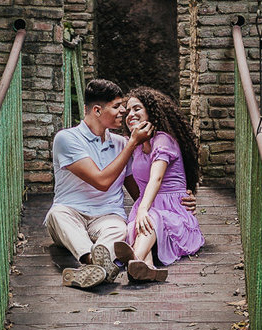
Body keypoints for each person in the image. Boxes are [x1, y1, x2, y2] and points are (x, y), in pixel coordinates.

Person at [47, 79, 195, 289]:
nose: (123, 112)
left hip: (108, 217)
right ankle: (92, 261)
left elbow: (142, 189)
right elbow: (102, 181)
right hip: (71, 215)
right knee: (57, 215)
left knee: (120, 229)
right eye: (117, 107)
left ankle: (94, 270)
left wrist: (180, 202)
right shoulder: (66, 139)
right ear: (97, 110)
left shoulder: (122, 144)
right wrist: (132, 143)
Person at [120, 86, 204, 282]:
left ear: (151, 111)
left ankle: (128, 262)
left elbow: (156, 178)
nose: (130, 114)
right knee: (135, 227)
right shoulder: (135, 145)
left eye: (136, 108)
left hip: (173, 212)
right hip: (148, 208)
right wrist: (141, 210)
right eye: (128, 110)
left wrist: (142, 209)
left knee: (149, 219)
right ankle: (146, 267)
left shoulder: (163, 140)